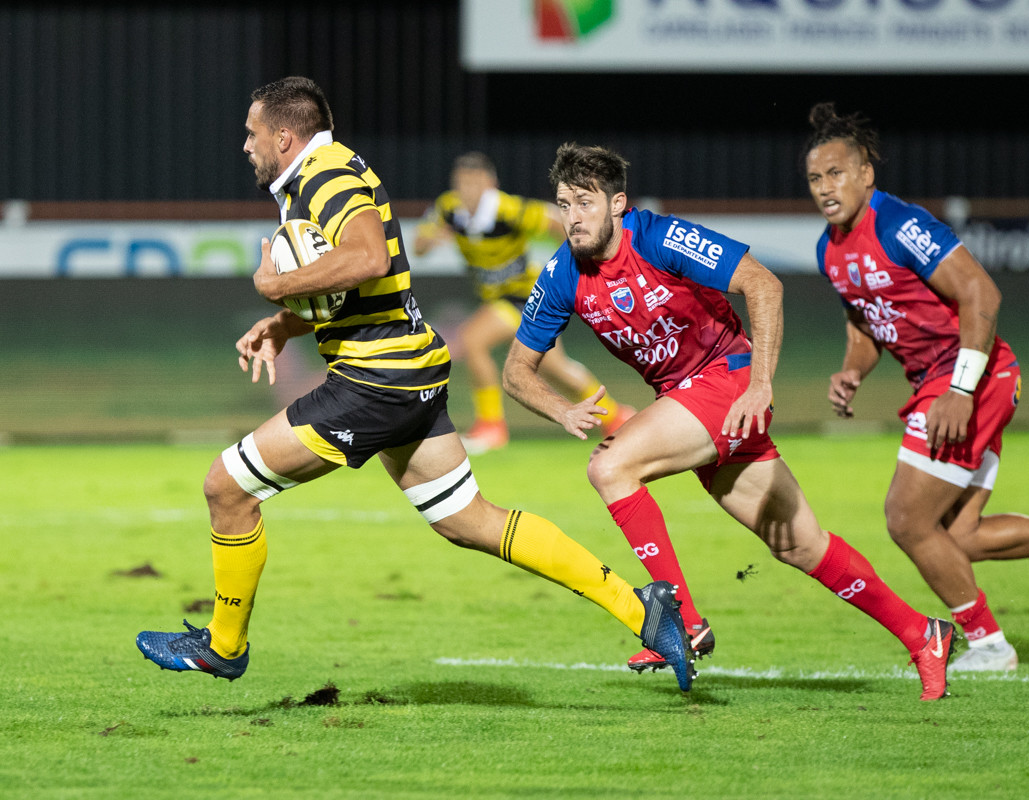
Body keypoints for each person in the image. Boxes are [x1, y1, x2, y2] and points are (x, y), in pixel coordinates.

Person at [134, 77, 696, 694]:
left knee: (226, 487)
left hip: (376, 380)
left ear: (284, 135)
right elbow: (355, 288)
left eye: (252, 133)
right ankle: (646, 610)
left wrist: (273, 287)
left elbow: (368, 256)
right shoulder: (316, 178)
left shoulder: (327, 175)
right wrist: (285, 324)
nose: (245, 145)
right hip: (407, 373)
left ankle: (223, 645)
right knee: (470, 522)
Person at [503, 142, 956, 701]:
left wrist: (762, 383)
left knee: (611, 467)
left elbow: (763, 284)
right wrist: (560, 408)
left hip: (728, 379)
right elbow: (516, 372)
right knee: (799, 545)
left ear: (617, 203)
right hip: (689, 402)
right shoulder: (561, 274)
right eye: (564, 204)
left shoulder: (659, 237)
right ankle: (923, 634)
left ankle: (684, 624)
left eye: (585, 202)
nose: (573, 217)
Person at [803, 102, 1029, 672]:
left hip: (970, 378)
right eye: (815, 178)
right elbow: (867, 322)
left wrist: (962, 390)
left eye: (837, 173)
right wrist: (853, 369)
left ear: (866, 173)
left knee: (905, 519)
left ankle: (988, 646)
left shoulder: (900, 223)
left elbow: (982, 295)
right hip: (947, 383)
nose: (826, 187)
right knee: (958, 537)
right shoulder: (830, 249)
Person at [412, 152, 635, 454]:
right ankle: (616, 416)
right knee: (557, 370)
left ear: (491, 184)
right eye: (462, 184)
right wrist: (431, 240)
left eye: (476, 183)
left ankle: (492, 426)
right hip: (505, 299)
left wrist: (578, 256)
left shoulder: (510, 210)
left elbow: (556, 221)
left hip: (524, 296)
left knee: (472, 340)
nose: (469, 190)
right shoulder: (448, 209)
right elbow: (420, 246)